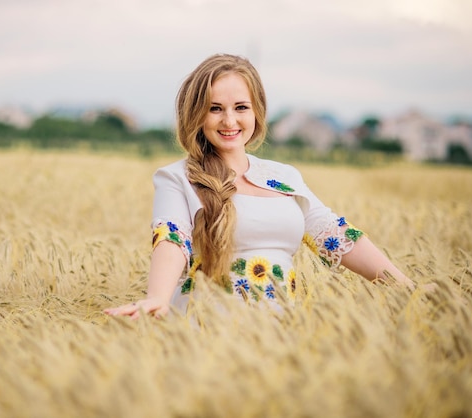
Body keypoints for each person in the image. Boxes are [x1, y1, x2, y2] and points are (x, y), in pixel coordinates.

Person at [104, 53, 418, 320]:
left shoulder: (285, 177)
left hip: (280, 333)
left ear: (257, 111)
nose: (229, 121)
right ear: (196, 114)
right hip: (205, 334)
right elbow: (172, 238)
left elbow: (334, 234)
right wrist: (157, 297)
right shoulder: (178, 177)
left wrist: (407, 288)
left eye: (241, 107)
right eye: (215, 109)